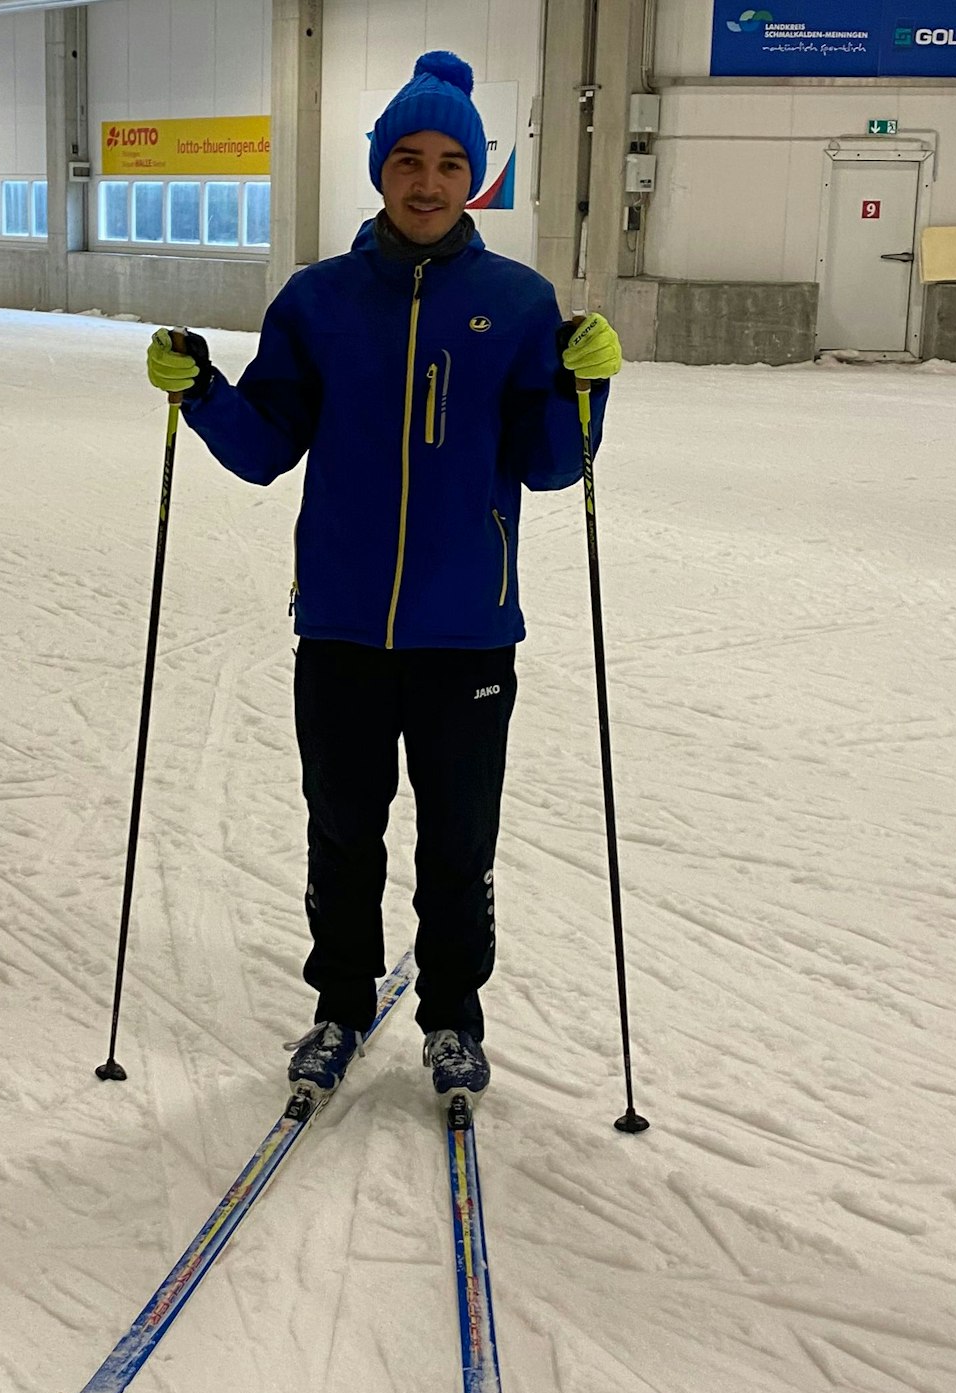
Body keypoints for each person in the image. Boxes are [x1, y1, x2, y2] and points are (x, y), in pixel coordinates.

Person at [144, 51, 622, 1103]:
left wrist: (584, 390)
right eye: (406, 159)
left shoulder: (515, 299)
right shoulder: (318, 301)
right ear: (377, 170)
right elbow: (268, 444)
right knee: (342, 831)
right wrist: (205, 393)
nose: (425, 181)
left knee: (458, 843)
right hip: (345, 625)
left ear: (474, 180)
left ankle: (452, 1015)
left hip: (467, 633)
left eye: (450, 163)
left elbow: (550, 466)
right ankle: (340, 1004)